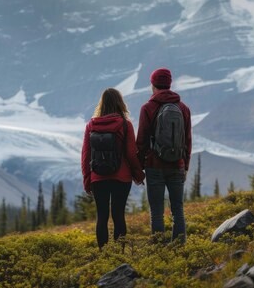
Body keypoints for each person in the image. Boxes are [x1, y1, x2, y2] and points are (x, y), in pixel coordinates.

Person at [81, 88, 145, 249]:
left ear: (101, 104)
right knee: (118, 216)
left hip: (98, 178)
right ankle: (119, 254)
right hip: (121, 177)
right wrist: (138, 175)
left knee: (101, 217)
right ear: (120, 103)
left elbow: (85, 155)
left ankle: (104, 255)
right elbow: (131, 153)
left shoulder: (91, 125)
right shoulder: (125, 125)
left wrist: (87, 180)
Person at [136, 68, 192, 244]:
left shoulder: (147, 108)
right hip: (177, 164)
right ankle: (180, 249)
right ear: (169, 84)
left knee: (157, 212)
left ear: (153, 85)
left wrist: (139, 168)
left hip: (154, 166)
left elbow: (142, 141)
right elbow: (187, 140)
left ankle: (159, 252)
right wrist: (186, 166)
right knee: (178, 210)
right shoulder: (183, 108)